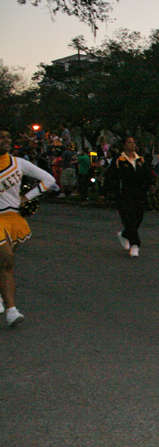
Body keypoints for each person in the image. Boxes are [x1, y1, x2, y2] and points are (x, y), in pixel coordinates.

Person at [0, 128, 57, 326]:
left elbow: (49, 180)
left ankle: (3, 299)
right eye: (1, 137)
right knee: (7, 259)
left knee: (6, 264)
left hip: (14, 218)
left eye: (7, 137)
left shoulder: (18, 163)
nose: (5, 140)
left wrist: (27, 197)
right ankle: (12, 311)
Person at [101, 137, 153, 258]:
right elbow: (110, 176)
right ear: (124, 145)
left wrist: (151, 184)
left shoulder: (140, 159)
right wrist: (104, 192)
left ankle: (125, 235)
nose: (132, 145)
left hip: (139, 193)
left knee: (138, 217)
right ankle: (135, 244)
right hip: (124, 194)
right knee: (129, 217)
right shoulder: (119, 160)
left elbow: (147, 173)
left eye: (134, 143)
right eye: (129, 142)